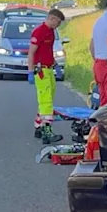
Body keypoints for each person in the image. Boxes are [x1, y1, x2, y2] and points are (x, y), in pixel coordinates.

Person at [28, 8, 66, 143]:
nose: (58, 25)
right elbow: (31, 52)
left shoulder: (51, 32)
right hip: (41, 71)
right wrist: (30, 71)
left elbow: (48, 52)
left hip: (49, 69)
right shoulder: (39, 32)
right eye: (58, 22)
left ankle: (38, 126)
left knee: (47, 100)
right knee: (46, 103)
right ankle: (47, 132)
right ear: (52, 18)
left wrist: (56, 65)